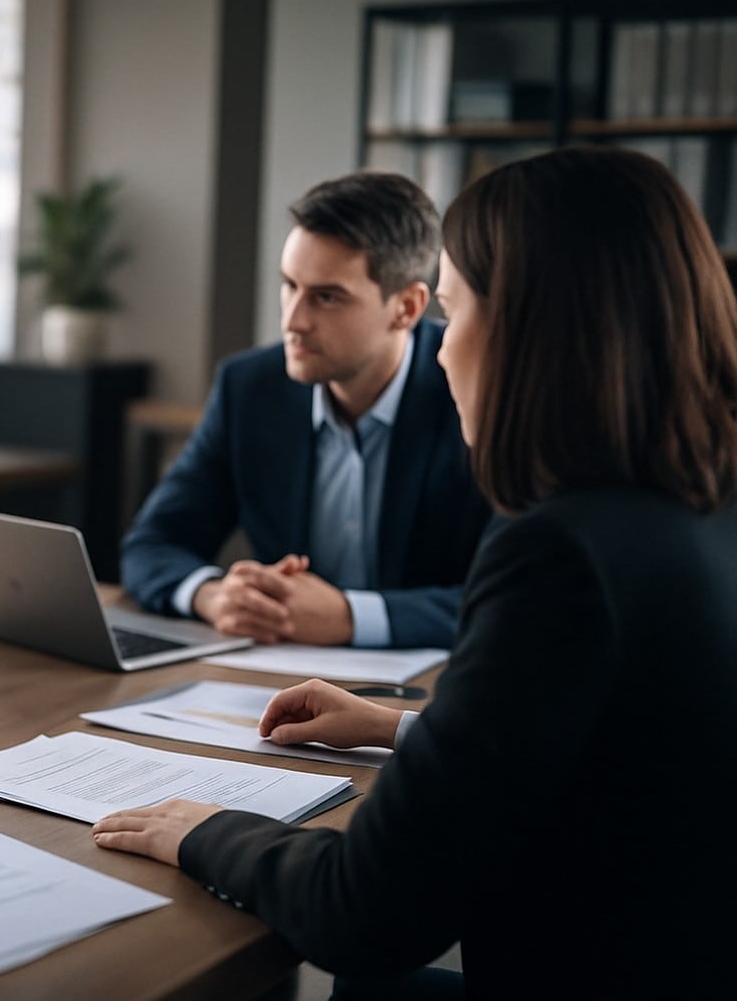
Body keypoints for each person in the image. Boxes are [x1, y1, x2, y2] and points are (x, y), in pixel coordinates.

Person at [93, 146, 737, 997]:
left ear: (532, 332)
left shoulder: (559, 552)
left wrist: (205, 830)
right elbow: (603, 738)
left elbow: (367, 913)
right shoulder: (698, 503)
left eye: (458, 309)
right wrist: (401, 725)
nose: (441, 354)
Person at [121, 171, 492, 649]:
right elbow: (151, 544)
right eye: (289, 286)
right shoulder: (249, 388)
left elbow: (516, 598)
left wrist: (352, 617)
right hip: (272, 686)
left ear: (407, 307)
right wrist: (213, 596)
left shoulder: (472, 388)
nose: (293, 321)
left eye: (326, 297)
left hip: (424, 696)